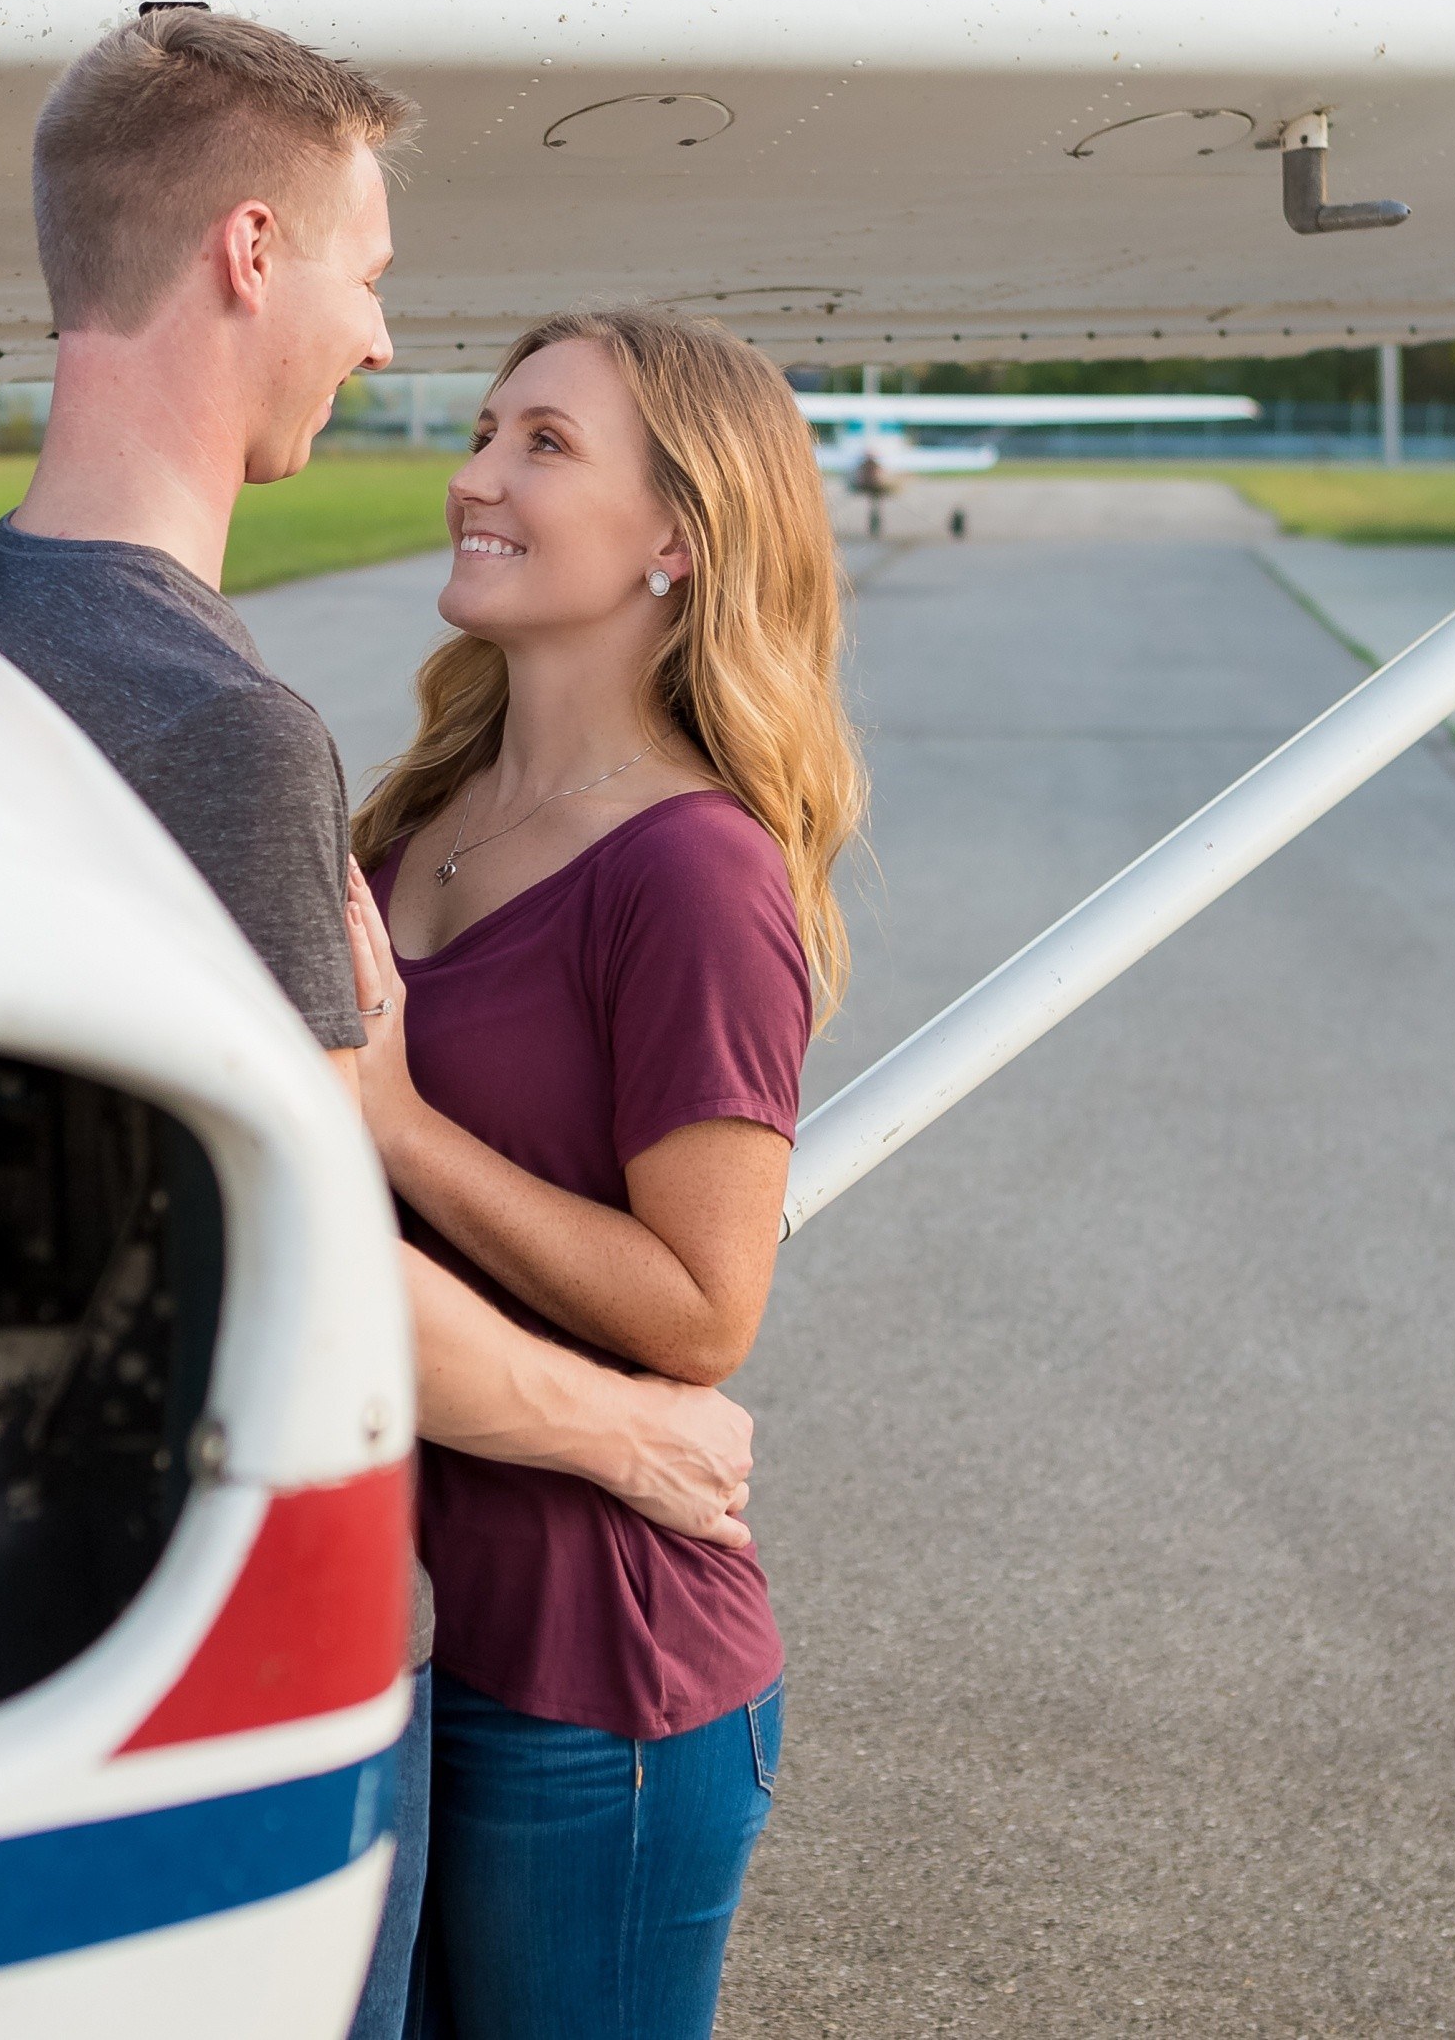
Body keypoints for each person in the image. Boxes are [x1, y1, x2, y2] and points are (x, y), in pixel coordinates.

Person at [0, 12, 759, 2040]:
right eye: (366, 272)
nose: (385, 345)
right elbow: (304, 1273)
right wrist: (638, 1437)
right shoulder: (229, 732)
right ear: (246, 252)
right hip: (249, 1655)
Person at [340, 309, 864, 2040]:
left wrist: (402, 1124)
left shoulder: (697, 874)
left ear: (678, 543)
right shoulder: (414, 816)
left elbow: (707, 1309)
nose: (473, 474)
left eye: (542, 445)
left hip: (590, 1680)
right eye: (486, 430)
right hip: (386, 1629)